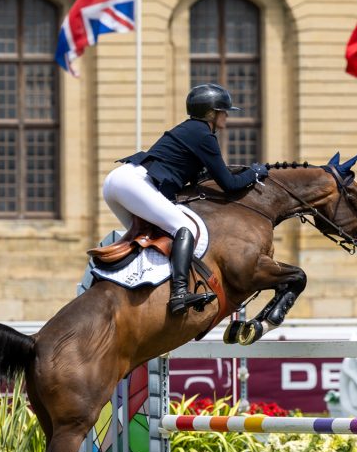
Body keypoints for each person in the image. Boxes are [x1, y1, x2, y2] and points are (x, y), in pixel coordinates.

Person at [103, 83, 270, 315]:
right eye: (224, 111)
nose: (227, 116)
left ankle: (134, 288)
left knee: (151, 237)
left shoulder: (189, 130)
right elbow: (230, 185)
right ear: (211, 113)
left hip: (116, 183)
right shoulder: (204, 135)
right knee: (185, 227)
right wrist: (255, 173)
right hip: (133, 184)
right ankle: (179, 293)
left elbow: (201, 175)